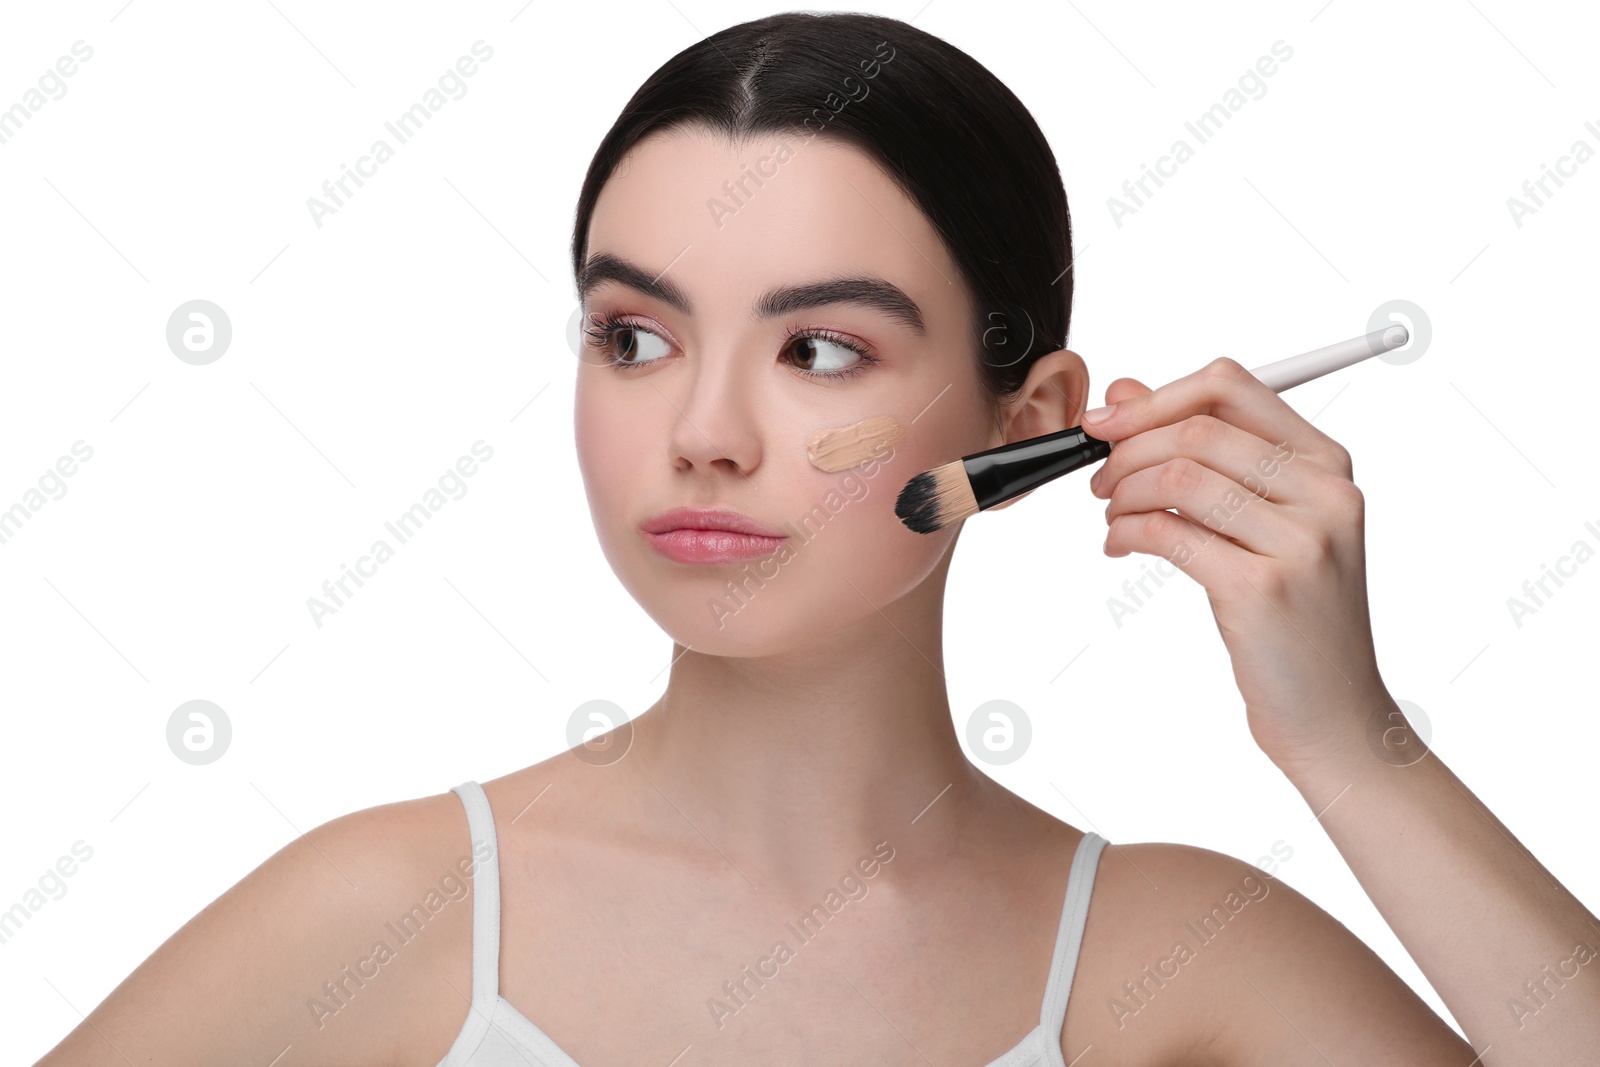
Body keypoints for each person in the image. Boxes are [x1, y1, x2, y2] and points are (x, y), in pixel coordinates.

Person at [34, 11, 1597, 1066]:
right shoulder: (386, 910)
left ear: (1026, 419)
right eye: (634, 337)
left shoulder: (1174, 961)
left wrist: (1354, 745)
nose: (704, 429)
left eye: (821, 350)